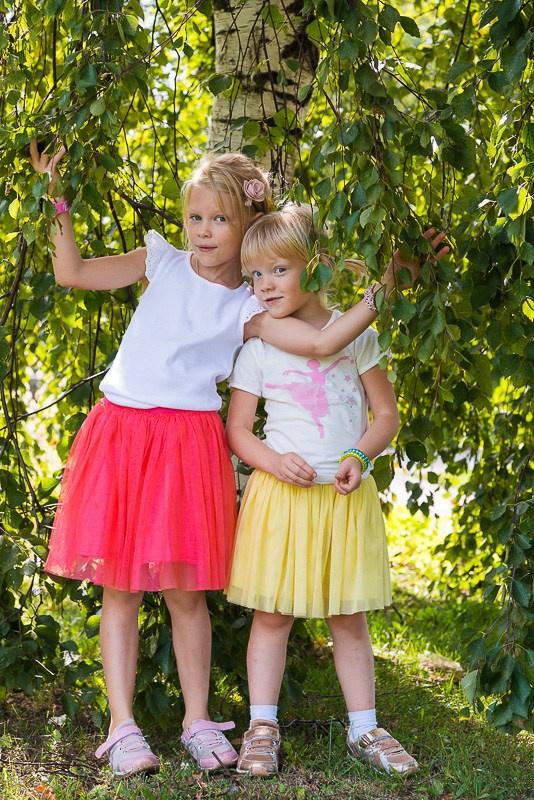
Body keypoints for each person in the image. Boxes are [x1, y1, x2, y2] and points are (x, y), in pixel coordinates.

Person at [28, 142, 427, 778]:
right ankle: (122, 726)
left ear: (247, 226)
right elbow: (72, 272)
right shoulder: (159, 260)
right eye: (195, 217)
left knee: (187, 594)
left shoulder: (248, 307)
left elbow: (324, 341)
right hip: (123, 432)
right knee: (119, 590)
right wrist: (57, 202)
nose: (204, 231)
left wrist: (389, 283)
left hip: (187, 443)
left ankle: (197, 720)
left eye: (219, 219)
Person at [225, 204, 449, 778]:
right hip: (282, 500)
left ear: (316, 267)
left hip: (343, 499)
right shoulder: (259, 345)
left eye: (278, 270)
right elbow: (238, 431)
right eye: (255, 274)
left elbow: (386, 415)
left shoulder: (358, 338)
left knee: (348, 618)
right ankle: (262, 726)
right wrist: (274, 462)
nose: (264, 285)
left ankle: (364, 727)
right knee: (273, 615)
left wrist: (360, 455)